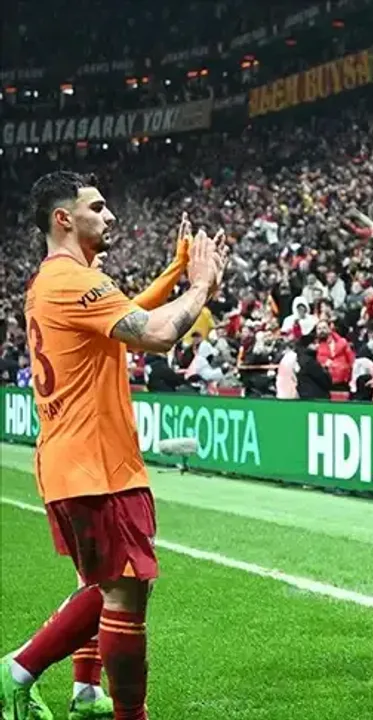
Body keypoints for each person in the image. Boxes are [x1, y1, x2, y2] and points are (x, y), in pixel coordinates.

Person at [1, 171, 227, 720]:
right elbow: (155, 333)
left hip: (76, 461)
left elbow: (131, 317)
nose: (110, 216)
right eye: (97, 207)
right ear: (64, 218)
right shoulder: (70, 281)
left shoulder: (56, 281)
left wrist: (176, 272)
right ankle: (27, 675)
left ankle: (76, 690)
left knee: (107, 585)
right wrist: (199, 289)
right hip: (95, 464)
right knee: (124, 591)